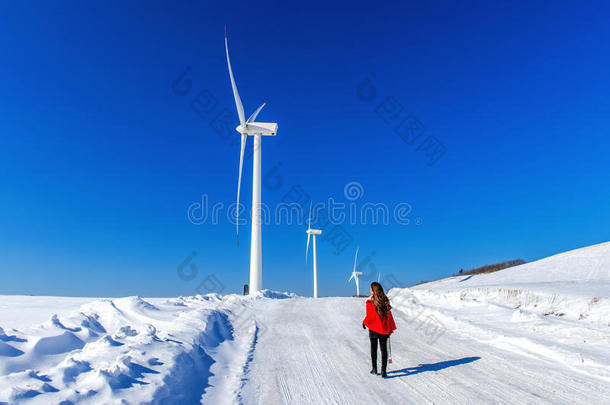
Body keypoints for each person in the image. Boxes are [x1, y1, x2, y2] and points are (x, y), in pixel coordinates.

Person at [362, 282, 396, 378]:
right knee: (384, 350)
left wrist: (364, 322)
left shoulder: (370, 302)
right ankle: (384, 371)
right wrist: (390, 328)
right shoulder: (385, 301)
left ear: (373, 291)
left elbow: (370, 317)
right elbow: (389, 316)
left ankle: (374, 369)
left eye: (370, 289)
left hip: (373, 329)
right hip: (384, 330)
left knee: (374, 349)